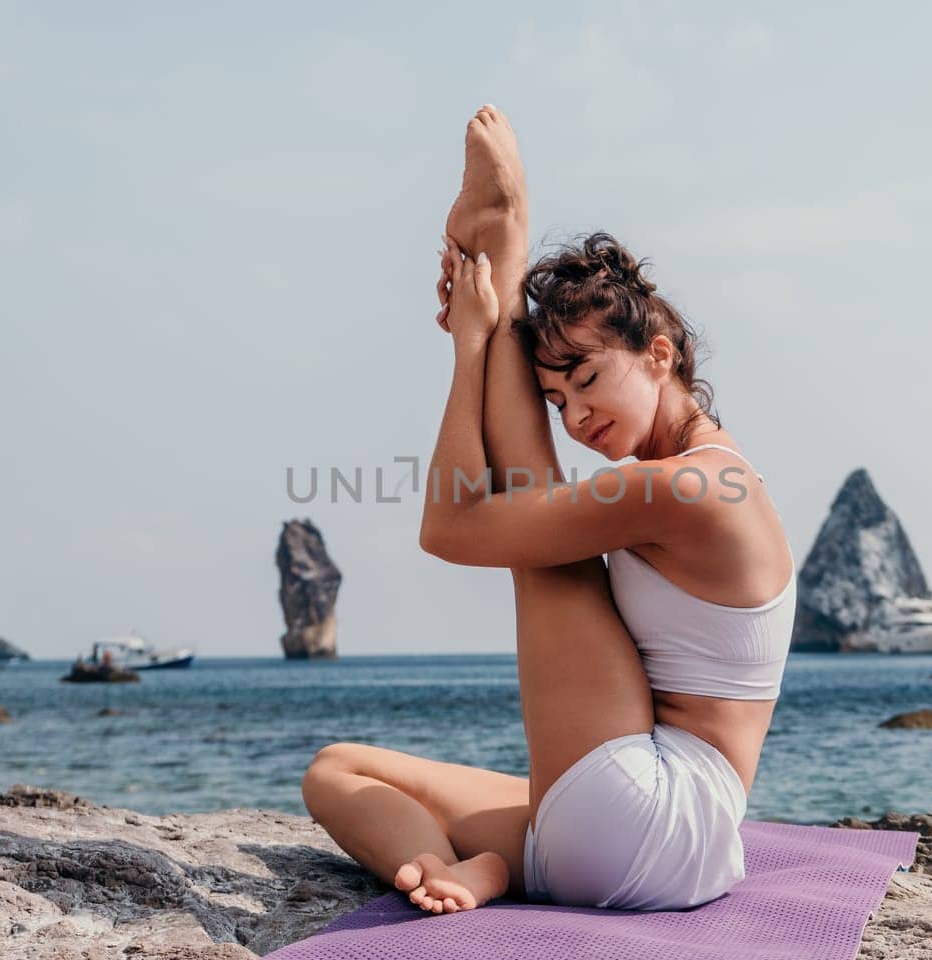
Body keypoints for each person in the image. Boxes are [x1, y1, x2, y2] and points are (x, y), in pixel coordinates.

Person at [300, 105, 796, 915]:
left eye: (588, 380)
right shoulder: (694, 474)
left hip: (644, 812)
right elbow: (514, 500)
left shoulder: (685, 489)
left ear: (660, 353)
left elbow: (454, 526)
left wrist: (469, 347)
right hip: (667, 843)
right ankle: (465, 870)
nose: (575, 419)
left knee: (551, 548)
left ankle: (507, 244)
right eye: (555, 398)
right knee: (334, 770)